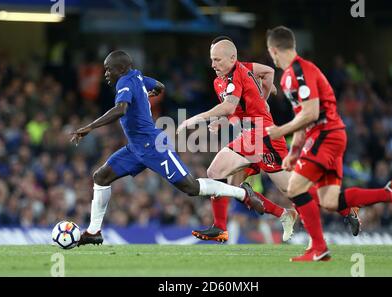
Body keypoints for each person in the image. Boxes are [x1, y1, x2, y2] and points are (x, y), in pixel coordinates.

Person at [70, 50, 265, 246]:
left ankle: (243, 194)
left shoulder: (124, 82)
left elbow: (121, 109)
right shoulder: (137, 76)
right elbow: (160, 86)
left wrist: (90, 126)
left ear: (120, 69)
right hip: (136, 148)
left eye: (108, 69)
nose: (105, 74)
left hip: (153, 146)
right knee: (101, 177)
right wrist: (150, 92)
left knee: (191, 187)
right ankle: (94, 231)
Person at [265, 26, 392, 261]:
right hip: (330, 135)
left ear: (274, 50)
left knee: (294, 188)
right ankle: (389, 193)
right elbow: (302, 119)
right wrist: (294, 151)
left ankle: (318, 248)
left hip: (325, 135)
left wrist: (279, 131)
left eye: (269, 52)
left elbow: (311, 113)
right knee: (329, 201)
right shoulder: (297, 72)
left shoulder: (296, 73)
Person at [189, 37, 360, 244]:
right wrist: (228, 118)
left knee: (292, 190)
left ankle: (343, 207)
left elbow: (263, 77)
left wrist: (262, 99)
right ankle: (223, 227)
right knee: (222, 179)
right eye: (212, 60)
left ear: (232, 58)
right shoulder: (219, 82)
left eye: (217, 60)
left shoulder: (240, 72)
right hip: (249, 136)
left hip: (264, 136)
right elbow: (239, 106)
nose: (213, 65)